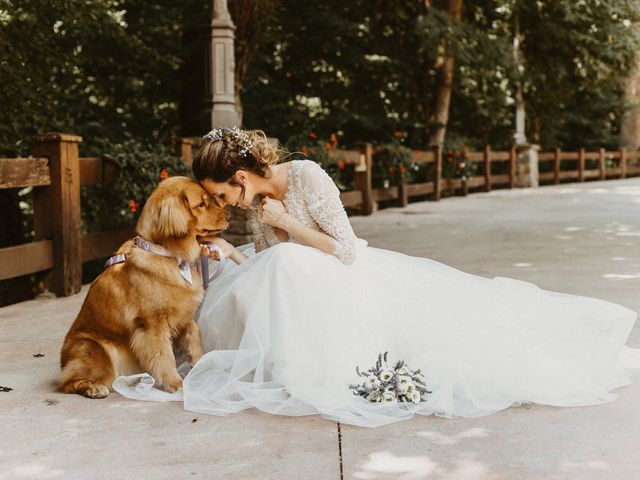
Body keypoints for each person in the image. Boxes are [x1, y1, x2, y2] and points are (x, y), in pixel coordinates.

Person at [113, 127, 640, 428]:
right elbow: (266, 273)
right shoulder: (257, 206)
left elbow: (344, 251)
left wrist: (288, 223)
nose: (222, 204)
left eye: (224, 194)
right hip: (302, 286)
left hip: (350, 276)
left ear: (243, 176)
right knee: (268, 265)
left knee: (289, 259)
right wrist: (231, 252)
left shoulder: (306, 177)